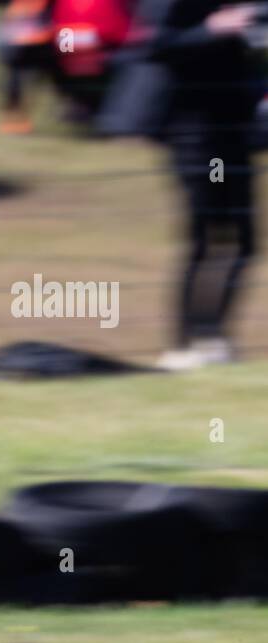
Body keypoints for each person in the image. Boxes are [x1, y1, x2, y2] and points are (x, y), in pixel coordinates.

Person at [139, 0, 262, 370]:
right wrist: (212, 29)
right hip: (197, 133)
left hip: (235, 128)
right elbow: (155, 44)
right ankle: (183, 343)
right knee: (206, 234)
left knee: (245, 241)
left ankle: (214, 336)